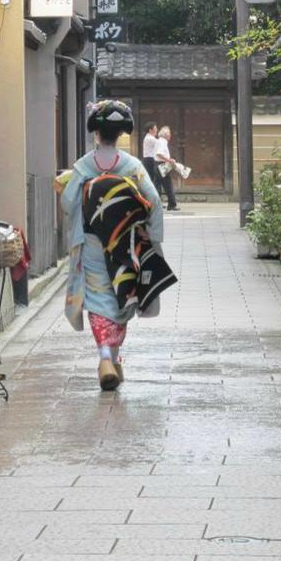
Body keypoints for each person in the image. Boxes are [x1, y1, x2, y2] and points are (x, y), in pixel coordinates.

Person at [56, 100, 176, 391]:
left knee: (98, 302)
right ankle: (110, 357)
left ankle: (108, 357)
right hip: (125, 244)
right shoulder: (131, 166)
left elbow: (68, 203)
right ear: (121, 133)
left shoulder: (83, 167)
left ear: (96, 133)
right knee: (122, 298)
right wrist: (152, 240)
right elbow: (155, 203)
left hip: (94, 244)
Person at [156, 125, 180, 211]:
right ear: (165, 135)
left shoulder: (161, 141)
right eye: (169, 134)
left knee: (157, 185)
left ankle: (156, 204)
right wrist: (169, 160)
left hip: (160, 164)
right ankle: (172, 205)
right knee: (168, 185)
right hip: (162, 165)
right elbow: (159, 154)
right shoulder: (161, 142)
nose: (170, 135)